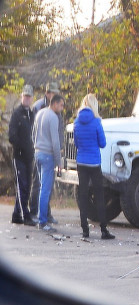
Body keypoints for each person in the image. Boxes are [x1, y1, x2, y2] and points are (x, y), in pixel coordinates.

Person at [73, 94, 115, 240]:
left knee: (83, 195)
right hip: (94, 163)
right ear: (94, 105)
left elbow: (76, 143)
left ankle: (85, 230)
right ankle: (104, 230)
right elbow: (102, 143)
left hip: (81, 163)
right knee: (99, 196)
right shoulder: (97, 122)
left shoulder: (76, 121)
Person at [29, 82, 62, 224]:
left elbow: (33, 133)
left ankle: (45, 214)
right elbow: (55, 140)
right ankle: (39, 216)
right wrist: (59, 160)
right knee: (42, 187)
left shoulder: (45, 112)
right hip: (46, 153)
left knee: (44, 187)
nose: (62, 108)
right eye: (61, 105)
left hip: (40, 151)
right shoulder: (41, 108)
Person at [8, 85, 37, 226]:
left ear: (32, 98)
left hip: (29, 156)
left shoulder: (32, 114)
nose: (27, 98)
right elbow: (12, 136)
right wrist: (22, 147)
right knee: (22, 185)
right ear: (22, 97)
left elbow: (34, 134)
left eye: (29, 96)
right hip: (19, 156)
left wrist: (31, 149)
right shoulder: (17, 114)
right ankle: (25, 214)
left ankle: (16, 214)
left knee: (27, 185)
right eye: (25, 96)